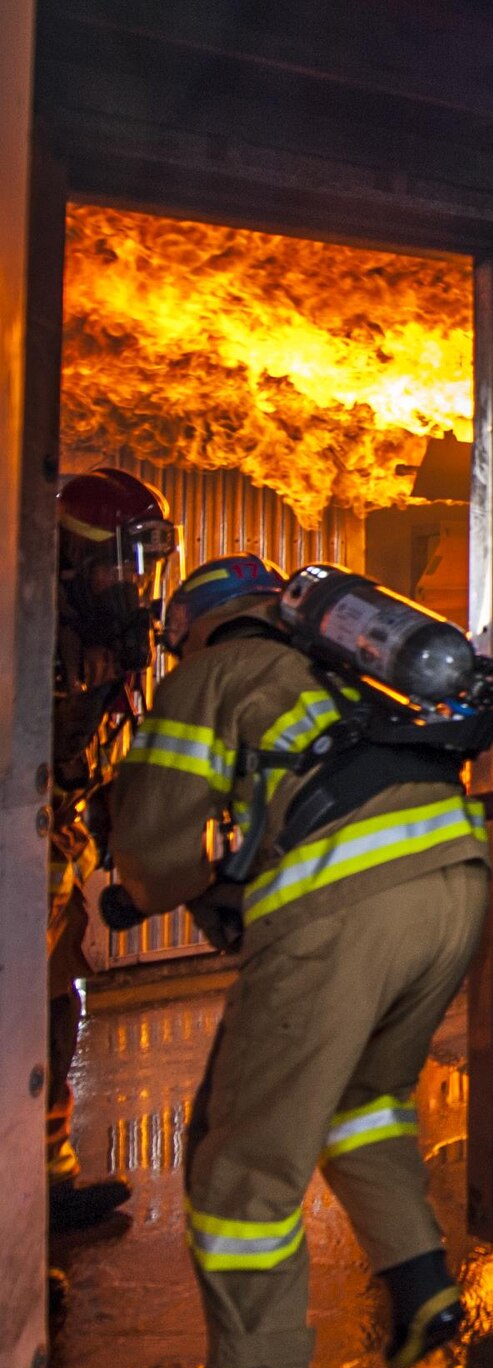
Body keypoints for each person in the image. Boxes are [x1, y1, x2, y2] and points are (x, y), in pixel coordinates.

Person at [107, 555, 489, 1368]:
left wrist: (135, 893)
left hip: (344, 905)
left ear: (194, 625)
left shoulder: (213, 673)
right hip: (454, 882)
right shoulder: (351, 668)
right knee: (362, 1103)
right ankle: (420, 1280)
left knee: (241, 1156)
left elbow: (155, 844)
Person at [46, 467, 175, 1234]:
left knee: (54, 1011)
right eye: (114, 565)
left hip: (53, 856)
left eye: (141, 566)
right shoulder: (27, 631)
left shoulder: (106, 638)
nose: (129, 584)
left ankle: (46, 1184)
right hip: (21, 857)